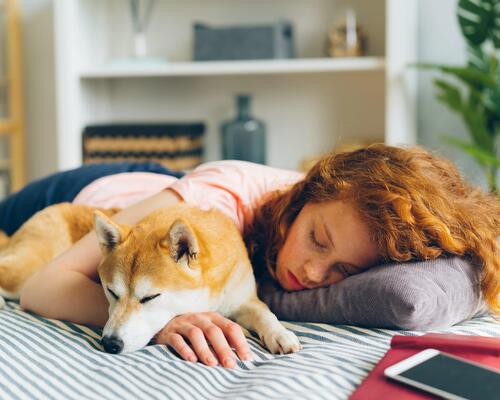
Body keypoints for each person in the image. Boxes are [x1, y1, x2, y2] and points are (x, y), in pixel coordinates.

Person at [10, 144, 500, 369]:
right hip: (86, 194)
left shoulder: (352, 225)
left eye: (343, 271)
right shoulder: (217, 200)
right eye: (317, 238)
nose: (311, 272)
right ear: (307, 193)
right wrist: (156, 321)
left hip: (162, 182)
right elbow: (42, 287)